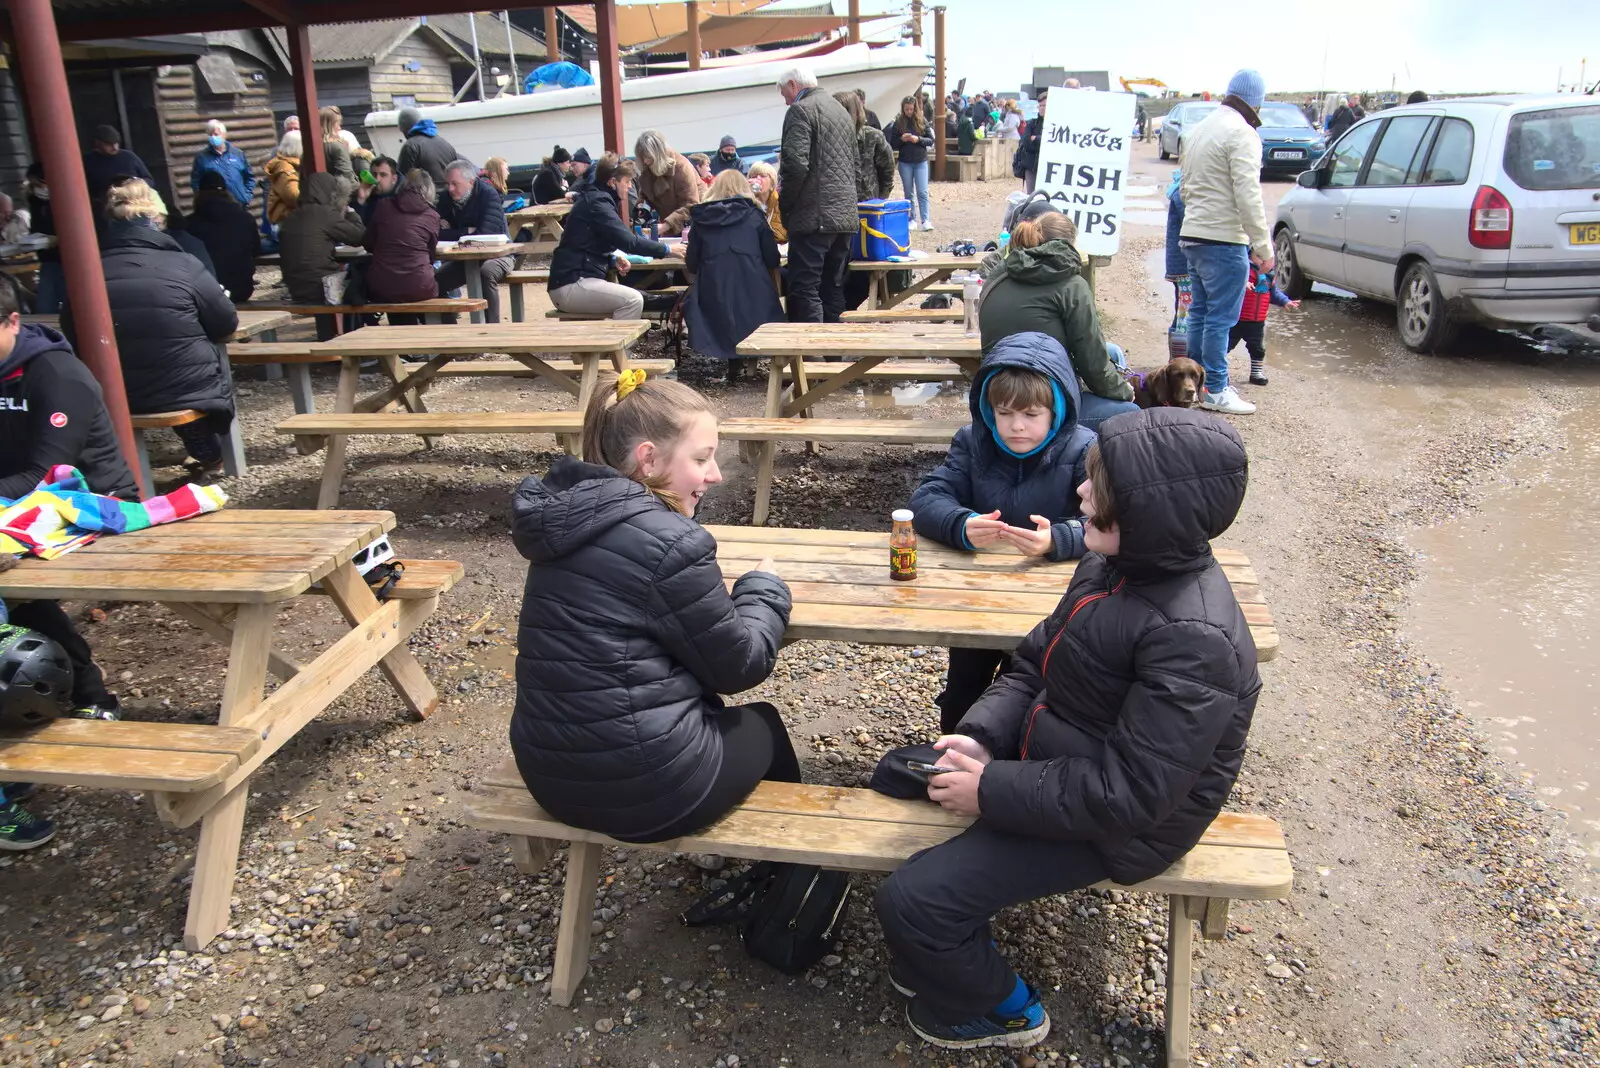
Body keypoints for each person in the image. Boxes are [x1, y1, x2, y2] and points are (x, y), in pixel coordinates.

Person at [875, 406, 1259, 1052]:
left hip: (1123, 825)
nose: (1080, 494)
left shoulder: (1194, 637)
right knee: (893, 773)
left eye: (1097, 487)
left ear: (1148, 511)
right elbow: (1033, 664)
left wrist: (991, 789)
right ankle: (943, 953)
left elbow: (1132, 794)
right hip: (1063, 760)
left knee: (912, 901)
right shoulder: (1111, 567)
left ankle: (1003, 1009)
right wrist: (983, 738)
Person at [509, 373, 796, 843]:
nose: (717, 474)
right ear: (648, 459)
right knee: (760, 722)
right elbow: (740, 666)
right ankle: (791, 878)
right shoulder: (670, 543)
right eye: (702, 458)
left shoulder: (565, 517)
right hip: (645, 788)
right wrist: (763, 588)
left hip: (549, 775)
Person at [909, 332, 1096, 730]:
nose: (1015, 426)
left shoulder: (1083, 449)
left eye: (1031, 415)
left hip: (1049, 606)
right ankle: (953, 748)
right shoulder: (972, 441)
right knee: (964, 686)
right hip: (975, 600)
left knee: (1027, 685)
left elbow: (1110, 523)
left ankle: (1012, 766)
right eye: (1004, 412)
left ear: (1057, 410)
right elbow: (926, 498)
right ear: (988, 408)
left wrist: (1057, 539)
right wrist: (960, 523)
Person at [0, 286, 135, 737]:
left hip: (92, 503)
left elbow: (47, 474)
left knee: (17, 591)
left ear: (13, 320)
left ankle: (87, 695)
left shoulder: (58, 375)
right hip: (18, 506)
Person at [63, 179, 239, 474]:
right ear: (157, 221)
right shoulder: (185, 264)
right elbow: (225, 323)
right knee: (192, 367)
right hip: (183, 388)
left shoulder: (86, 272)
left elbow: (72, 332)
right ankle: (207, 451)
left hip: (111, 388)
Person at [978, 214, 1137, 432]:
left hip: (994, 396)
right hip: (1036, 406)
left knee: (1113, 352)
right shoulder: (1071, 284)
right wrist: (1125, 391)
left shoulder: (999, 273)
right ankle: (1080, 462)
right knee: (1132, 414)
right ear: (1070, 245)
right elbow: (1092, 364)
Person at [1179, 69, 1272, 415]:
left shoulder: (1200, 129)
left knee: (1199, 314)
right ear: (1256, 103)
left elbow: (1184, 187)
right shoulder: (1242, 134)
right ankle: (1216, 388)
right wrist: (1263, 246)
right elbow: (1249, 195)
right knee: (1220, 318)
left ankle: (1192, 384)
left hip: (1193, 235)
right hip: (1223, 239)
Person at [684, 170, 785, 378]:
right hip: (754, 292)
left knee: (721, 296)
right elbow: (772, 259)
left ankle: (734, 362)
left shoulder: (702, 219)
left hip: (713, 292)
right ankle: (751, 362)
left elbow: (692, 264)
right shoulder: (755, 216)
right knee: (758, 293)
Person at [778, 65, 858, 323]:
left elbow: (795, 165)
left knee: (805, 289)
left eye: (784, 93)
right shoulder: (841, 112)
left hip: (814, 217)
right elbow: (853, 164)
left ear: (793, 85)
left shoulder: (800, 111)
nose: (785, 100)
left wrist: (786, 207)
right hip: (844, 217)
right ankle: (834, 356)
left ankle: (812, 358)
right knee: (832, 287)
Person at [547, 153, 670, 320]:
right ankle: (617, 345)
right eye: (626, 182)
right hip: (571, 285)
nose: (629, 187)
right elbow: (629, 242)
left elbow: (586, 244)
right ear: (613, 182)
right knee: (633, 300)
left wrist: (612, 259)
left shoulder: (596, 199)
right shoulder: (598, 204)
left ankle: (615, 344)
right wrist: (668, 249)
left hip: (571, 282)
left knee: (631, 296)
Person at [279, 172, 365, 338]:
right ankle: (356, 341)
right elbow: (358, 236)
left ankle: (327, 339)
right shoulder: (325, 214)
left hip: (295, 288)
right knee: (358, 287)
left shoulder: (292, 216)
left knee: (326, 276)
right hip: (321, 289)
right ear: (332, 193)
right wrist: (351, 211)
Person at [434, 159, 514, 324]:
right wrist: (466, 232)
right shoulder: (445, 199)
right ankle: (448, 329)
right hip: (464, 259)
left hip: (500, 255)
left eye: (455, 184)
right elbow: (436, 233)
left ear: (471, 182)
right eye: (447, 183)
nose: (450, 189)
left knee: (485, 273)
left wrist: (454, 232)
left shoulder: (488, 194)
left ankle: (491, 330)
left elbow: (485, 234)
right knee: (435, 281)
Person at [363, 168, 442, 323]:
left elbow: (368, 243)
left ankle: (403, 337)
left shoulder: (383, 206)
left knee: (393, 289)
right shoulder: (432, 215)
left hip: (382, 285)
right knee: (423, 286)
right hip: (420, 285)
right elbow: (431, 254)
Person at [185, 170, 260, 303]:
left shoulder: (189, 224)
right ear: (226, 191)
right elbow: (256, 250)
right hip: (241, 289)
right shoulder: (245, 218)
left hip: (207, 293)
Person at [1229, 263, 1298, 386]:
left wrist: (1285, 302)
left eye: (1268, 257)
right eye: (1259, 256)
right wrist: (1241, 284)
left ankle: (1256, 373)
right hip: (1237, 320)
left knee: (1258, 349)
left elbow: (1274, 294)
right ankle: (1219, 372)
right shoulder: (1244, 271)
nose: (1263, 260)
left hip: (1257, 322)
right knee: (1225, 346)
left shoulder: (1269, 277)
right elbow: (1228, 285)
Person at [633, 130, 702, 236]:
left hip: (693, 227)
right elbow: (647, 193)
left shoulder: (681, 168)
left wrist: (665, 225)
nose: (646, 161)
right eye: (643, 157)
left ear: (658, 154)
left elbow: (691, 205)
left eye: (648, 157)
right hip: (667, 227)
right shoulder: (648, 169)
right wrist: (642, 206)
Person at [836, 90, 895, 201]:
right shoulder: (830, 138)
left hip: (868, 202)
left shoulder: (873, 137)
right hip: (840, 204)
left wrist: (880, 199)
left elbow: (888, 169)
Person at [889, 95, 934, 230]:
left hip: (920, 161)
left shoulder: (922, 121)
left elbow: (930, 140)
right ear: (903, 109)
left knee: (923, 192)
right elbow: (893, 143)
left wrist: (918, 139)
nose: (909, 111)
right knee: (908, 192)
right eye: (906, 109)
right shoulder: (898, 122)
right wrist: (902, 139)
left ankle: (926, 220)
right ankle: (911, 218)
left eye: (911, 109)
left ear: (915, 109)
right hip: (905, 161)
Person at [24, 164, 63, 313]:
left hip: (64, 257)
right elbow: (36, 226)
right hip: (47, 256)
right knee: (45, 305)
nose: (37, 188)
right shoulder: (35, 200)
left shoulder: (63, 200)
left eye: (38, 184)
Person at [190, 120, 255, 208]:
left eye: (216, 134)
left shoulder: (237, 153)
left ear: (224, 135)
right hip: (215, 207)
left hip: (239, 205)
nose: (213, 137)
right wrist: (203, 202)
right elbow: (195, 182)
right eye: (210, 135)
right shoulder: (202, 157)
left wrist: (246, 197)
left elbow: (249, 177)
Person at [82, 125, 152, 204]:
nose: (115, 148)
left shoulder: (129, 157)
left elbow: (149, 180)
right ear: (97, 143)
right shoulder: (87, 161)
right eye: (109, 144)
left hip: (135, 203)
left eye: (116, 143)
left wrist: (134, 185)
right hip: (105, 206)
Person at [395, 107, 460, 187]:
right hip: (448, 195)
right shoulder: (445, 143)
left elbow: (401, 178)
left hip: (426, 196)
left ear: (404, 129)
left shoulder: (410, 146)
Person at [265, 129, 302, 225]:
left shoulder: (293, 163)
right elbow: (293, 196)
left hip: (292, 217)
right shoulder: (285, 167)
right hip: (287, 220)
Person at [1013, 88, 1047, 193]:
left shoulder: (1057, 125)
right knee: (1031, 197)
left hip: (1047, 167)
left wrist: (1036, 138)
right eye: (1040, 105)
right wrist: (1041, 142)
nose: (1041, 108)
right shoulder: (1032, 123)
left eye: (1044, 105)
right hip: (1031, 166)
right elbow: (1026, 143)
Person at [746, 161, 787, 242]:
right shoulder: (746, 205)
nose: (758, 179)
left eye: (762, 176)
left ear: (772, 182)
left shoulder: (781, 203)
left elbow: (783, 236)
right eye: (754, 176)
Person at [356, 155, 400, 224]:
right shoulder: (368, 193)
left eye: (383, 175)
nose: (377, 179)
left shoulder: (404, 198)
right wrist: (360, 201)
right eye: (374, 174)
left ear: (394, 179)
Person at [317, 106, 355, 182]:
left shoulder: (313, 147)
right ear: (329, 125)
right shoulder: (338, 146)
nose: (339, 128)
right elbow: (347, 179)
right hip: (339, 192)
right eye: (338, 124)